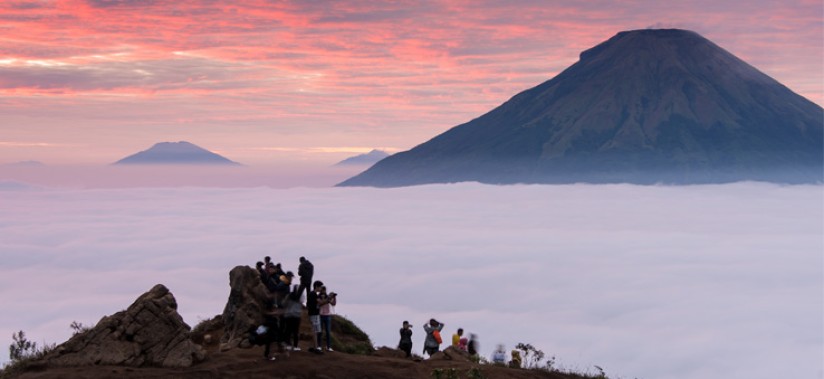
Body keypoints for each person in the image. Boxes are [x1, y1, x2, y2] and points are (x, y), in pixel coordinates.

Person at [280, 286, 302, 351]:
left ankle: (288, 345)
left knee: (288, 331)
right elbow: (301, 304)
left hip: (289, 315)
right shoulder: (299, 297)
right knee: (296, 331)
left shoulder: (288, 296)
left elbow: (283, 304)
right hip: (297, 316)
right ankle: (295, 346)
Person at [306, 280, 324, 354]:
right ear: (316, 286)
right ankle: (316, 348)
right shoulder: (313, 294)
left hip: (312, 313)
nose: (320, 289)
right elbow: (320, 302)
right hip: (314, 314)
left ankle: (312, 346)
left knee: (314, 331)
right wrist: (328, 299)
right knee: (315, 331)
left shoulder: (312, 294)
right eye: (320, 287)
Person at [318, 285, 337, 352]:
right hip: (320, 315)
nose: (323, 291)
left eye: (324, 289)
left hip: (327, 315)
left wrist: (334, 297)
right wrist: (328, 299)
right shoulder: (318, 297)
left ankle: (328, 346)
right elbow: (320, 304)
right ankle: (319, 346)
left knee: (328, 332)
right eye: (323, 289)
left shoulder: (328, 297)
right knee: (320, 331)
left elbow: (333, 304)